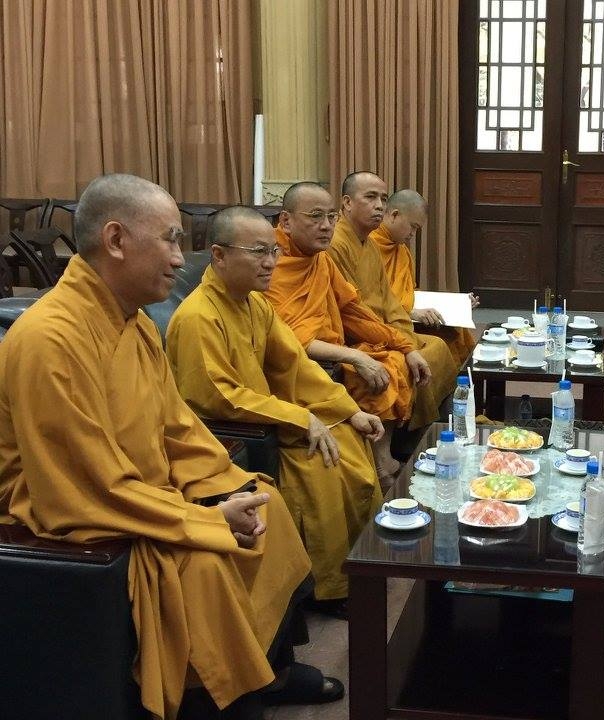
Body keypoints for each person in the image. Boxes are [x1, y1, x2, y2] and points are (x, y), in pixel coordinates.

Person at [0, 174, 341, 720]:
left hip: (141, 485)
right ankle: (222, 700)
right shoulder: (50, 338)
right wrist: (204, 521)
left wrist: (228, 489)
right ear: (116, 240)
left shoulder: (131, 324)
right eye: (170, 239)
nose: (182, 260)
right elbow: (80, 484)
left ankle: (268, 668)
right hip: (69, 510)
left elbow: (176, 429)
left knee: (264, 503)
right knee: (205, 564)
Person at [166, 206, 385, 620]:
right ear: (219, 255)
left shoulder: (254, 304)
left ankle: (358, 570)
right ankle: (326, 587)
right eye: (258, 252)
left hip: (271, 416)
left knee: (350, 444)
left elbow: (294, 365)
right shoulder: (198, 317)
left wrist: (347, 409)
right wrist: (301, 419)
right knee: (321, 465)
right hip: (235, 432)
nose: (271, 263)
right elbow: (220, 396)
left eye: (273, 251)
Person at [264, 182, 429, 483]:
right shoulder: (271, 265)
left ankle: (384, 456)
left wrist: (405, 345)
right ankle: (380, 463)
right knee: (376, 368)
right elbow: (292, 339)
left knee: (395, 358)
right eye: (315, 217)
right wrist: (354, 356)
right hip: (298, 365)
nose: (326, 226)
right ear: (286, 221)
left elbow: (353, 310)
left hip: (332, 346)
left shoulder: (319, 259)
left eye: (331, 217)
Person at [327, 171, 459, 429]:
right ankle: (390, 447)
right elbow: (351, 312)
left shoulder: (370, 246)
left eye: (383, 198)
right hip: (357, 335)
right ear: (347, 203)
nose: (379, 205)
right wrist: (403, 345)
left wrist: (404, 339)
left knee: (439, 347)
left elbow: (389, 302)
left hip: (382, 330)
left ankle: (423, 430)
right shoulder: (335, 245)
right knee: (401, 362)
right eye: (371, 197)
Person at [369, 188, 478, 366]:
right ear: (394, 215)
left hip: (405, 316)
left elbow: (408, 291)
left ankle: (461, 383)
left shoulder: (401, 250)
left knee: (457, 329)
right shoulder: (369, 246)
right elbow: (369, 300)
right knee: (442, 342)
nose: (413, 234)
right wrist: (410, 312)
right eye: (413, 227)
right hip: (387, 322)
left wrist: (456, 305)